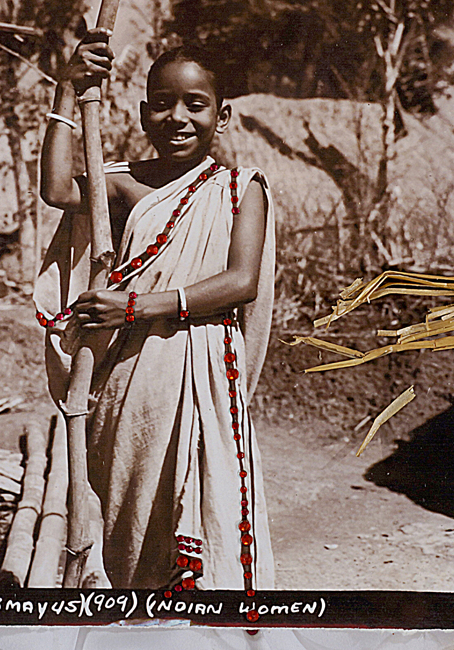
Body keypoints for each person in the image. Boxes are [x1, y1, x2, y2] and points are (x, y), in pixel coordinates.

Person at [34, 31, 275, 591]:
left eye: (196, 104)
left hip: (204, 366)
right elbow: (55, 189)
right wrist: (68, 92)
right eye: (162, 104)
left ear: (223, 114)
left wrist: (136, 306)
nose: (178, 117)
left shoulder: (242, 189)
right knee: (132, 512)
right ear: (144, 113)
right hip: (131, 376)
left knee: (209, 510)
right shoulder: (125, 182)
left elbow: (240, 282)